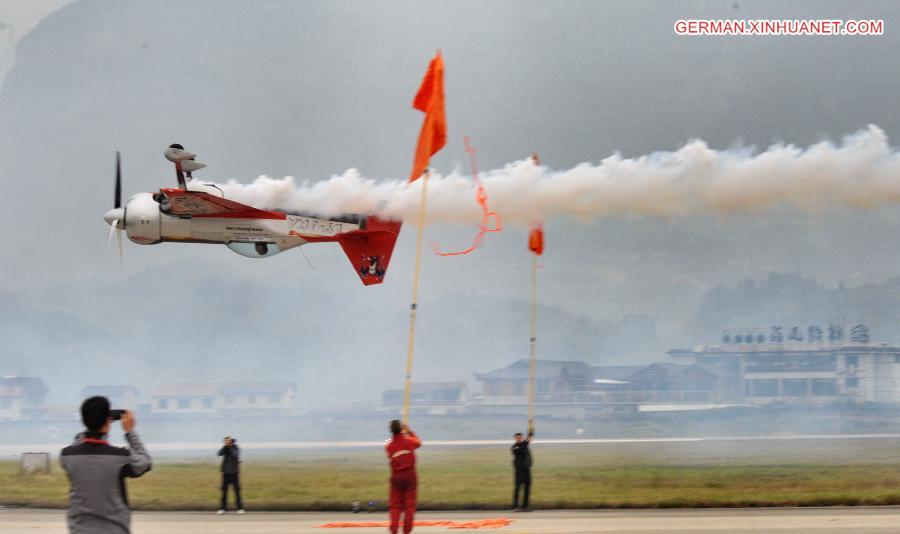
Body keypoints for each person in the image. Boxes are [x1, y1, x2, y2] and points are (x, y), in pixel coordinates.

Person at [60, 396, 152, 534]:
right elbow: (145, 461)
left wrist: (90, 428)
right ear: (108, 420)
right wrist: (130, 432)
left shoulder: (67, 456)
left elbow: (79, 443)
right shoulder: (120, 457)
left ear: (84, 420)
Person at [385, 420, 421, 534]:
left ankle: (394, 530)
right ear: (401, 429)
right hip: (410, 477)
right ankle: (407, 531)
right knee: (409, 506)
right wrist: (409, 431)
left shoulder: (388, 447)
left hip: (396, 478)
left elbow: (395, 448)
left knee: (395, 506)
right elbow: (419, 443)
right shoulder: (409, 441)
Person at [217, 436, 244, 514]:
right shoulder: (225, 448)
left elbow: (235, 455)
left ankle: (240, 508)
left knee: (237, 492)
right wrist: (225, 446)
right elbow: (219, 454)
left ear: (232, 441)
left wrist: (230, 447)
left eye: (228, 441)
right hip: (226, 473)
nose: (227, 442)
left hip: (234, 473)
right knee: (224, 492)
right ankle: (223, 508)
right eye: (226, 441)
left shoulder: (236, 448)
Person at [511, 430, 533, 511]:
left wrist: (531, 432)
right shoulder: (514, 447)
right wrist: (527, 440)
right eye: (517, 438)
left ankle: (525, 506)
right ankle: (515, 506)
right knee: (517, 487)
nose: (519, 439)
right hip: (519, 471)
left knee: (527, 488)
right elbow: (522, 448)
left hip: (527, 470)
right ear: (515, 439)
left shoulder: (525, 445)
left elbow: (528, 441)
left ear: (522, 438)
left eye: (520, 437)